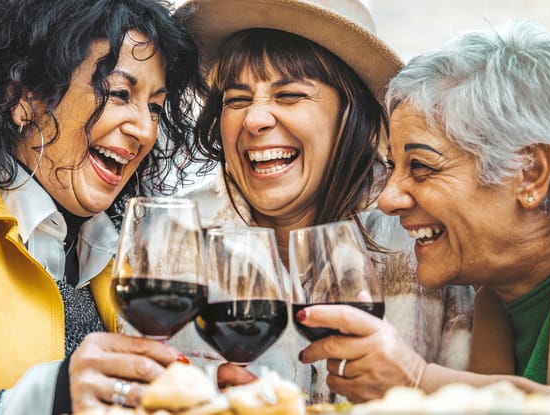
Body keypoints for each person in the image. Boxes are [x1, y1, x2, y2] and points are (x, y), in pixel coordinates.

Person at [169, 0, 474, 403]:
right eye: (236, 100)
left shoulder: (423, 235)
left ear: (352, 115)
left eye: (290, 95)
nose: (254, 119)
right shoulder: (175, 237)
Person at [298, 19, 550, 401]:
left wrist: (417, 380)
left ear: (529, 173)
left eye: (421, 166)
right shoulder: (496, 297)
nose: (388, 199)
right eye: (393, 165)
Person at [0, 0, 205, 414]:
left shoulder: (125, 256)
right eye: (118, 93)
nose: (145, 130)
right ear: (23, 96)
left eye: (154, 108)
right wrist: (32, 401)